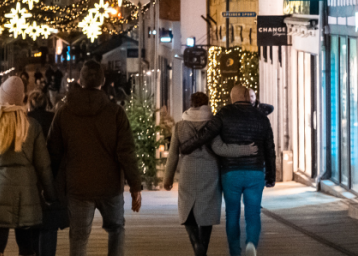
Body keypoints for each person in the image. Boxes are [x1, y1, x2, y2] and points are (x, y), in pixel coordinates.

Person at [48, 60, 142, 256]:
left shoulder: (64, 113)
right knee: (116, 229)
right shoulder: (116, 113)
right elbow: (126, 152)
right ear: (103, 81)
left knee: (79, 237)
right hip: (110, 186)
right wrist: (135, 186)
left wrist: (51, 187)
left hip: (78, 185)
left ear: (80, 81)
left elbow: (53, 152)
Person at [179, 85, 276, 256]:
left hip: (231, 173)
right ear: (248, 97)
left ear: (233, 98)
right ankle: (252, 242)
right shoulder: (261, 117)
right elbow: (270, 148)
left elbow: (206, 134)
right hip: (255, 172)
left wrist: (186, 147)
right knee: (253, 212)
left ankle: (234, 252)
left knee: (232, 213)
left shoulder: (224, 113)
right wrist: (271, 176)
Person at [0, 77, 55, 256]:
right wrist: (49, 193)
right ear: (21, 98)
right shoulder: (31, 126)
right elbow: (43, 165)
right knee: (26, 245)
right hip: (27, 194)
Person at [164, 93, 259, 256]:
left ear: (190, 104)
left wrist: (168, 178)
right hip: (210, 173)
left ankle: (196, 245)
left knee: (188, 211)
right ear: (207, 104)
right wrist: (246, 149)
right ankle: (202, 249)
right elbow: (221, 148)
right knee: (206, 214)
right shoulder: (213, 124)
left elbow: (173, 154)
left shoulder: (180, 126)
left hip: (187, 172)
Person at [28, 90, 67, 256]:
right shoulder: (54, 119)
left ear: (29, 104)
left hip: (29, 177)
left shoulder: (24, 120)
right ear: (46, 103)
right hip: (52, 175)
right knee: (49, 224)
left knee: (29, 225)